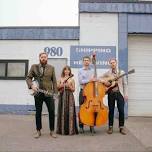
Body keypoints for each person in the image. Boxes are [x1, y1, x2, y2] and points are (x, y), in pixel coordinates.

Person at [26, 51, 58, 138]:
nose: (43, 58)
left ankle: (52, 131)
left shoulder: (51, 68)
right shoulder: (34, 67)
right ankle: (38, 131)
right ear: (39, 58)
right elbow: (28, 78)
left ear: (47, 58)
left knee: (51, 112)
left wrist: (55, 93)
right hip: (38, 93)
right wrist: (31, 85)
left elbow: (54, 81)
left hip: (49, 93)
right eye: (42, 57)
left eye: (45, 57)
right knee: (38, 112)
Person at [102, 58, 128, 135]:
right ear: (109, 64)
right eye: (111, 63)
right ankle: (110, 127)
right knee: (111, 111)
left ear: (116, 63)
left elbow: (125, 84)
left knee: (121, 111)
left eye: (113, 62)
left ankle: (121, 127)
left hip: (120, 93)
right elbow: (101, 79)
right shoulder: (107, 73)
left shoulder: (121, 72)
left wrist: (126, 94)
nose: (112, 64)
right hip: (111, 93)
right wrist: (106, 83)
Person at [56, 66, 78, 135]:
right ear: (63, 71)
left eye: (68, 70)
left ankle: (70, 130)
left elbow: (73, 89)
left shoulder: (72, 79)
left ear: (69, 71)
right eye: (65, 70)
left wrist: (69, 85)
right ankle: (62, 130)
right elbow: (57, 87)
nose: (66, 71)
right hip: (62, 96)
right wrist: (62, 85)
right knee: (62, 112)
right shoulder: (60, 79)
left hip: (70, 96)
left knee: (70, 112)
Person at [78, 56, 97, 134]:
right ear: (83, 62)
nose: (86, 62)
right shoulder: (80, 70)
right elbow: (81, 81)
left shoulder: (93, 71)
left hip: (91, 92)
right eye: (85, 60)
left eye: (87, 60)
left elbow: (95, 80)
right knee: (82, 109)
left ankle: (91, 126)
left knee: (92, 109)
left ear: (89, 62)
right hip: (83, 91)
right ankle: (81, 126)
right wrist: (90, 80)